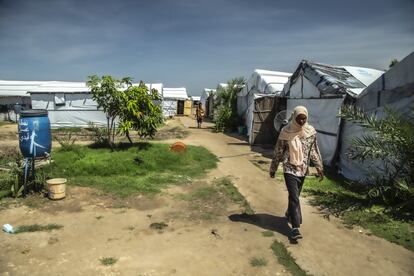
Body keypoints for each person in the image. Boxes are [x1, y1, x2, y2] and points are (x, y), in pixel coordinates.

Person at [269, 106, 324, 240]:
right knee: (294, 197)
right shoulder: (286, 131)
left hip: (303, 168)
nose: (301, 122)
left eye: (304, 119)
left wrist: (319, 167)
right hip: (289, 168)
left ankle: (289, 212)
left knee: (295, 196)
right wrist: (273, 168)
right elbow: (278, 151)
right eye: (299, 119)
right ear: (294, 117)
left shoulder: (310, 132)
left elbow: (314, 151)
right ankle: (295, 228)